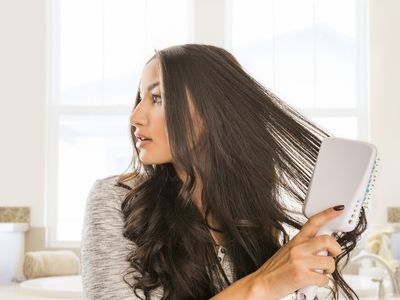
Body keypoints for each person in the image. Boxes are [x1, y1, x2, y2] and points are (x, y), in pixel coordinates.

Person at [81, 44, 367, 300]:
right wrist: (266, 284)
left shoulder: (254, 221)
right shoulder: (117, 201)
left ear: (212, 112)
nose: (135, 117)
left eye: (157, 98)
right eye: (140, 98)